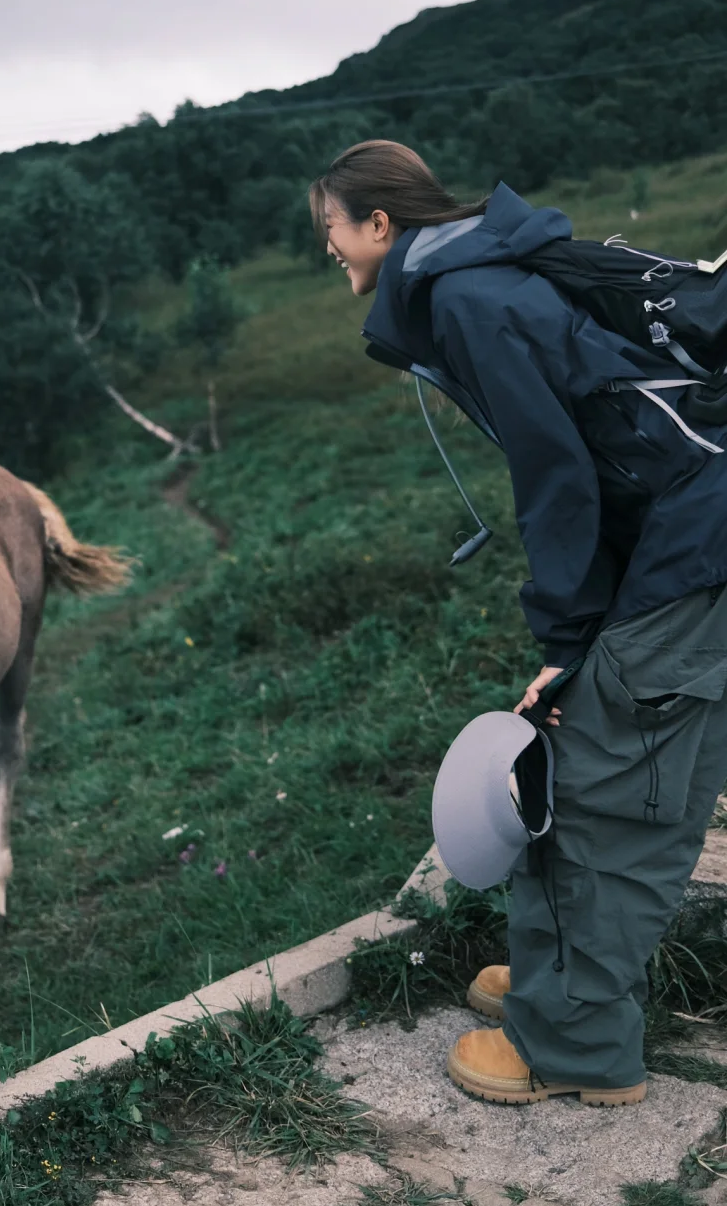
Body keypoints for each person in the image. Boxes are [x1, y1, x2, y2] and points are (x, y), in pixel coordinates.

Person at [310, 138, 727, 1107]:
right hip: (680, 530)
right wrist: (576, 648)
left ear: (378, 222)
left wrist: (571, 639)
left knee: (609, 795)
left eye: (327, 225)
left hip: (694, 545)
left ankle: (577, 1044)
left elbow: (560, 479)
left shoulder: (468, 300)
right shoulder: (473, 273)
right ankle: (556, 986)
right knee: (583, 757)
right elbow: (609, 444)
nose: (324, 246)